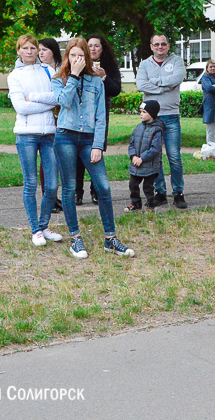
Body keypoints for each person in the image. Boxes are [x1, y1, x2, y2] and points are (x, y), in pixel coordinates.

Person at [52, 37, 134, 259]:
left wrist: (98, 145)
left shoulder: (96, 81)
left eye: (81, 55)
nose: (77, 59)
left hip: (89, 139)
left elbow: (101, 117)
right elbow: (64, 102)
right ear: (68, 57)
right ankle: (75, 238)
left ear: (87, 57)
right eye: (73, 55)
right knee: (69, 188)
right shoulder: (59, 79)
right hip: (66, 137)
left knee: (104, 188)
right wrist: (74, 76)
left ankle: (111, 238)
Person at [7, 34, 63, 247]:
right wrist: (46, 102)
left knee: (51, 185)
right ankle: (35, 229)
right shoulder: (14, 76)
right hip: (26, 135)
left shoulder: (49, 71)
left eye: (34, 48)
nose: (30, 52)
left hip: (49, 133)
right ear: (19, 51)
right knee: (30, 183)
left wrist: (36, 98)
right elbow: (21, 107)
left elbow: (58, 98)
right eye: (26, 48)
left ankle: (44, 224)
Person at [136, 33, 187, 208]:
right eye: (156, 44)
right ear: (151, 46)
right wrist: (165, 87)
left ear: (168, 45)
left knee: (174, 157)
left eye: (163, 44)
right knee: (155, 157)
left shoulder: (177, 61)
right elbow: (141, 85)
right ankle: (161, 193)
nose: (160, 47)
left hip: (172, 116)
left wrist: (155, 82)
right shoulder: (144, 64)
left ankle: (178, 193)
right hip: (152, 118)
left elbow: (177, 78)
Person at [75, 34, 122, 206]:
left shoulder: (109, 66)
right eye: (90, 45)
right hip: (80, 114)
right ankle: (77, 193)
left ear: (103, 49)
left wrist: (103, 77)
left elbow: (115, 90)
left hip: (100, 114)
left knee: (96, 152)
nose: (93, 49)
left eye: (97, 46)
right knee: (78, 156)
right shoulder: (79, 64)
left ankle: (96, 191)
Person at [37, 38, 63, 213]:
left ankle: (57, 196)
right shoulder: (38, 71)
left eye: (44, 50)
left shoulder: (63, 69)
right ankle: (48, 196)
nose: (40, 53)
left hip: (64, 118)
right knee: (48, 158)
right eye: (39, 50)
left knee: (62, 158)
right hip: (46, 119)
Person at [125, 100, 165, 213]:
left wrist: (142, 158)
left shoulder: (157, 130)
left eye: (144, 112)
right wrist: (133, 157)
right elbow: (131, 144)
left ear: (152, 114)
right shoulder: (138, 128)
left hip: (150, 165)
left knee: (148, 187)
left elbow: (155, 149)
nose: (141, 114)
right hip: (136, 164)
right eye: (141, 112)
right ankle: (135, 203)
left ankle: (150, 204)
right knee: (133, 184)